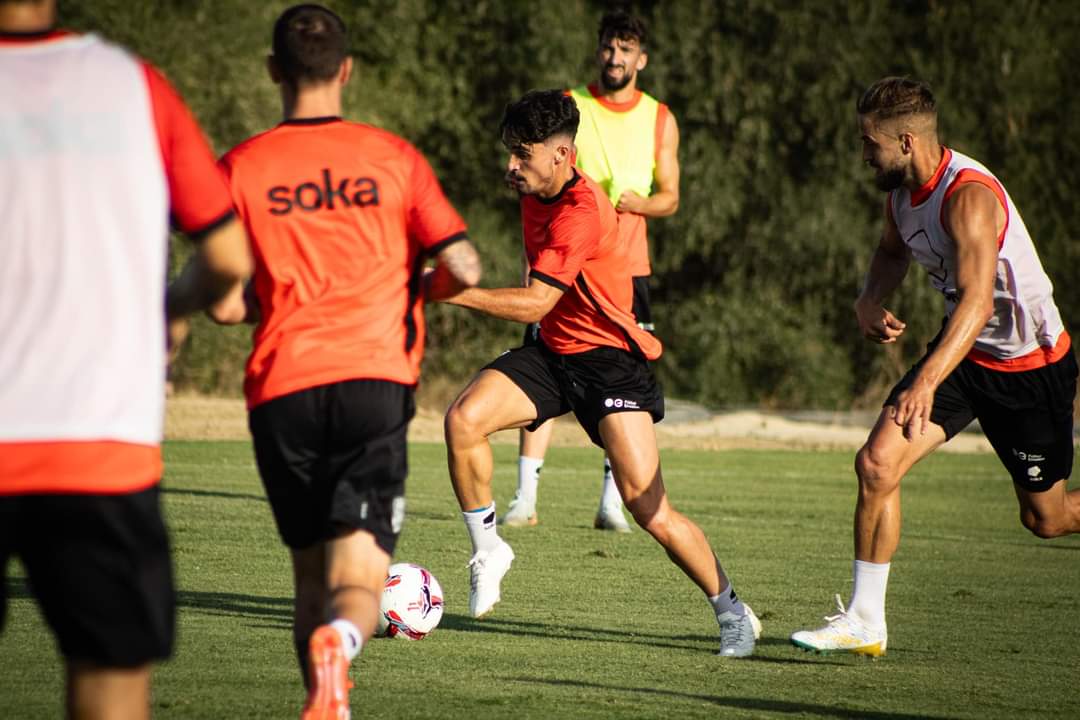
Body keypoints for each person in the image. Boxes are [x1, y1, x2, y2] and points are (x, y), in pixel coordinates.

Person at [209, 5, 480, 718]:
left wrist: (284, 299)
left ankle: (324, 698)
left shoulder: (240, 165)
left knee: (309, 578)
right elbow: (465, 265)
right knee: (359, 577)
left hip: (283, 387)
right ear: (347, 69)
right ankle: (343, 645)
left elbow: (224, 305)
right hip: (373, 381)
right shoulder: (393, 158)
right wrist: (417, 287)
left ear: (274, 71)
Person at [439, 89, 759, 657]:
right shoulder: (534, 185)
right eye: (509, 152)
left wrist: (454, 292)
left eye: (523, 154)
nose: (511, 166)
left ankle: (732, 612)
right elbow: (542, 308)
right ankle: (488, 550)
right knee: (463, 419)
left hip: (610, 363)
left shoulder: (582, 211)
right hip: (553, 353)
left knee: (648, 508)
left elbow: (536, 302)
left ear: (561, 156)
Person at [0, 0, 252, 717]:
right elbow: (228, 254)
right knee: (109, 687)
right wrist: (168, 310)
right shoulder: (130, 84)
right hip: (97, 443)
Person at [791, 76, 1078, 657]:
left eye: (869, 144)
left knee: (1045, 519)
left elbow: (978, 302)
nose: (862, 155)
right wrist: (869, 299)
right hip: (965, 355)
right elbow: (891, 253)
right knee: (876, 464)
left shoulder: (968, 197)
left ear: (904, 142)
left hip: (1029, 366)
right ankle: (865, 621)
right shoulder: (899, 196)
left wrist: (924, 380)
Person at [501, 10, 680, 533]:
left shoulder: (658, 117)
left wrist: (639, 203)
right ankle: (525, 496)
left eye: (626, 49)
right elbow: (534, 171)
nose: (615, 57)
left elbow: (671, 196)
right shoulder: (569, 106)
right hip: (563, 264)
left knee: (616, 381)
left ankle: (611, 502)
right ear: (599, 49)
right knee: (543, 359)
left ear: (641, 59)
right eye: (609, 46)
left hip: (623, 272)